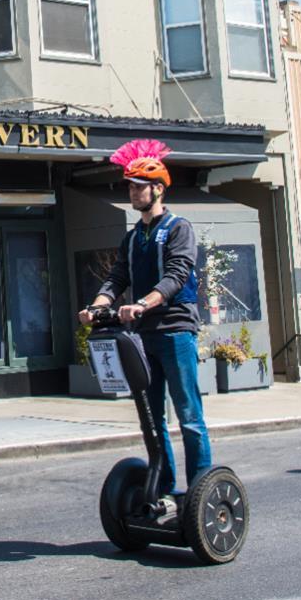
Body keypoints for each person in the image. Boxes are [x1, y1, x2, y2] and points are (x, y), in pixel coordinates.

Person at [80, 139, 211, 503]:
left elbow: (176, 275)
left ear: (158, 189)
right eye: (130, 186)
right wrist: (97, 305)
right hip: (144, 336)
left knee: (188, 415)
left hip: (175, 331)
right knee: (152, 419)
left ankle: (200, 490)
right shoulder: (133, 236)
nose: (133, 192)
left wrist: (143, 303)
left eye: (139, 186)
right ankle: (165, 488)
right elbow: (117, 278)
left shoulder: (178, 228)